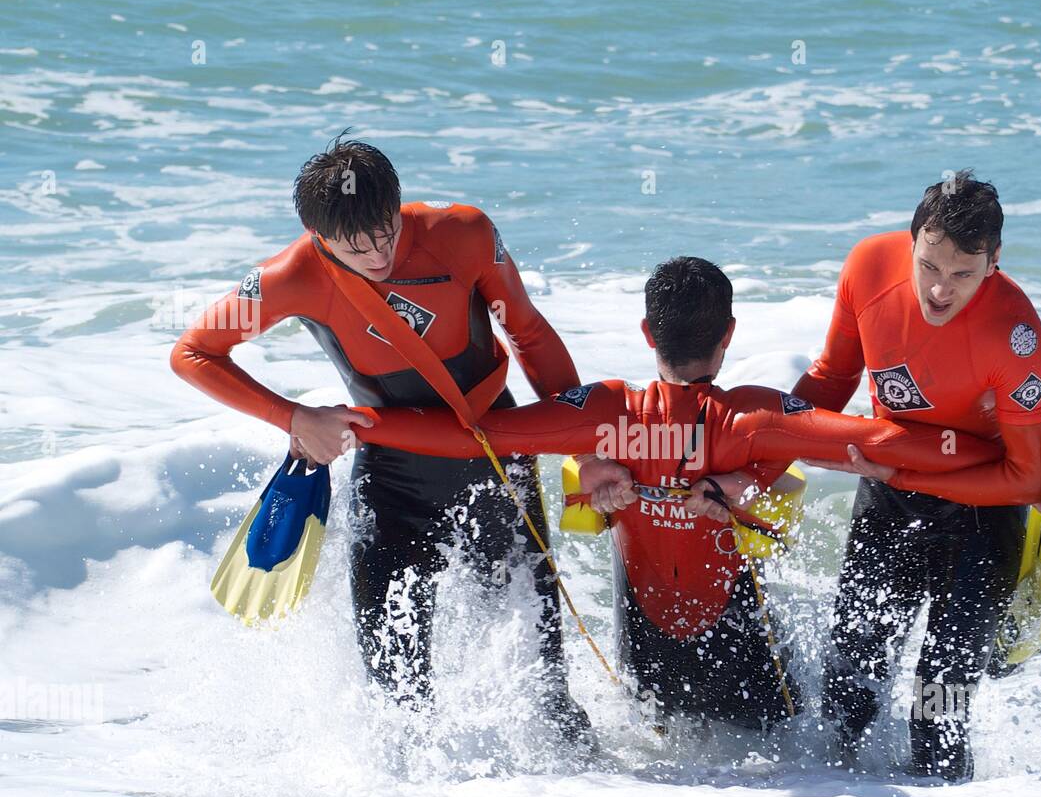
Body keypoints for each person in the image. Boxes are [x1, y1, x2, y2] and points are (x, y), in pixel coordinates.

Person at [347, 257, 1004, 731]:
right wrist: (1001, 455)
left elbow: (478, 435)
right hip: (743, 655)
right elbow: (882, 445)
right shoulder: (754, 422)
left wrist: (345, 423)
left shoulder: (605, 416)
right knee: (798, 761)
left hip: (646, 659)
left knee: (661, 778)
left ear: (645, 333)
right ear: (728, 337)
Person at [171, 133, 595, 743]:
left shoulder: (465, 233)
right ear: (320, 236)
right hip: (394, 483)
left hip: (495, 465)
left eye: (386, 232)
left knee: (543, 681)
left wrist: (583, 443)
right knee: (396, 698)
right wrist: (292, 417)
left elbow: (527, 332)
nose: (378, 254)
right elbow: (193, 352)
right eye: (355, 244)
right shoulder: (292, 276)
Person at [784, 170, 1041, 781]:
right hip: (888, 497)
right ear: (912, 243)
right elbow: (831, 378)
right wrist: (761, 453)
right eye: (929, 266)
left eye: (963, 274)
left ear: (993, 263)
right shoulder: (868, 267)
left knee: (939, 709)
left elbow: (1030, 479)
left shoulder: (1014, 337)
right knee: (846, 695)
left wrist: (909, 476)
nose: (940, 290)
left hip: (983, 520)